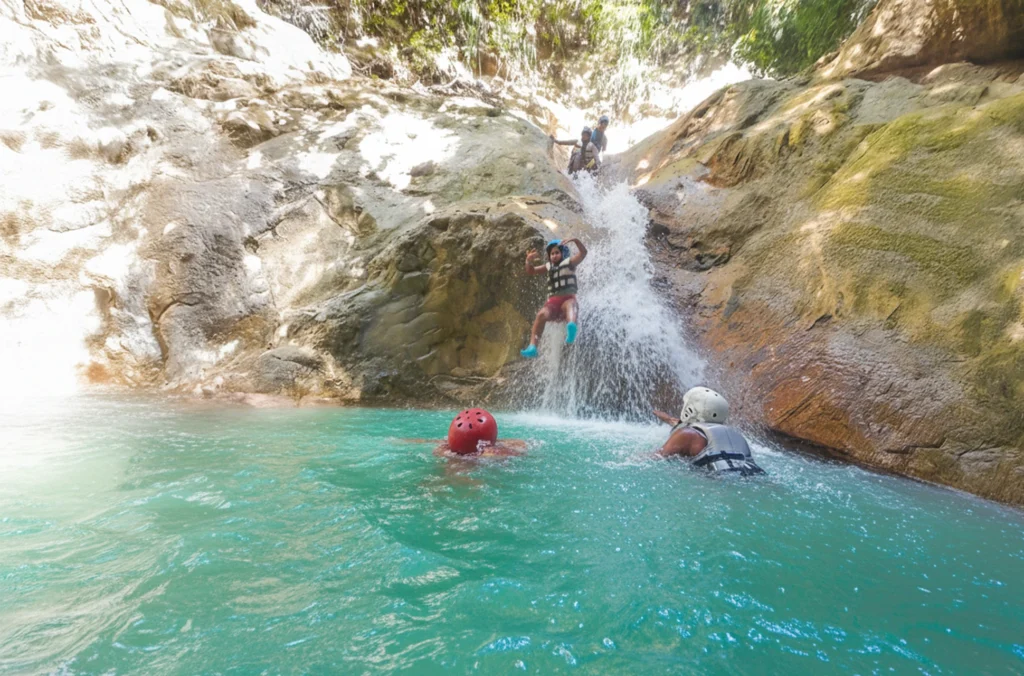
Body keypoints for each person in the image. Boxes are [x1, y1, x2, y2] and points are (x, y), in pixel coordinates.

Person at [653, 386, 765, 475]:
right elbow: (683, 423)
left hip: (722, 481)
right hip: (755, 476)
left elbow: (656, 458)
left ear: (690, 409)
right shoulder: (734, 434)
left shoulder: (686, 434)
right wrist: (666, 418)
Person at [520, 237, 587, 358]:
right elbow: (531, 271)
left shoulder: (570, 263)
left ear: (563, 253)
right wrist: (528, 261)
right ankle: (533, 346)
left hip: (567, 299)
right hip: (553, 304)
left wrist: (576, 240)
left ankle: (571, 327)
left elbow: (583, 253)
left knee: (571, 305)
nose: (554, 255)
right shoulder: (548, 266)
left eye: (557, 252)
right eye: (552, 253)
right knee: (541, 314)